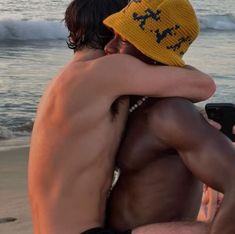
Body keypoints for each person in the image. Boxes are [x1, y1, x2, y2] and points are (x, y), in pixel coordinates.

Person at [28, 0, 215, 234]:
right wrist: (164, 56)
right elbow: (203, 86)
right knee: (208, 229)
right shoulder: (107, 70)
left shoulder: (65, 80)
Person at [103, 1, 235, 234]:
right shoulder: (136, 104)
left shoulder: (170, 112)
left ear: (151, 53)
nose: (109, 47)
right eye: (112, 36)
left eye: (122, 40)